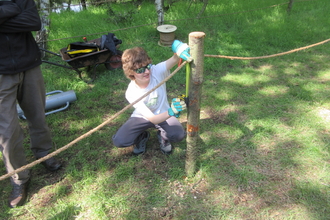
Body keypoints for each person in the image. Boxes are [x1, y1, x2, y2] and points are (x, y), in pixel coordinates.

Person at [0, 0, 62, 208]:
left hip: (30, 65)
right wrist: (13, 12)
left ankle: (44, 154)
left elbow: (33, 22)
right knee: (7, 131)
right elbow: (22, 17)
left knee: (38, 116)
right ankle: (19, 179)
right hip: (1, 74)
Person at [112, 41, 192, 155]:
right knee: (119, 141)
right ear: (131, 73)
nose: (147, 72)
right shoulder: (131, 92)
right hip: (143, 117)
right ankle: (141, 136)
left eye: (147, 66)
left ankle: (163, 135)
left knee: (178, 135)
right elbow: (153, 119)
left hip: (163, 114)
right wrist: (172, 111)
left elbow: (175, 59)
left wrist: (178, 48)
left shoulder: (156, 71)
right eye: (140, 70)